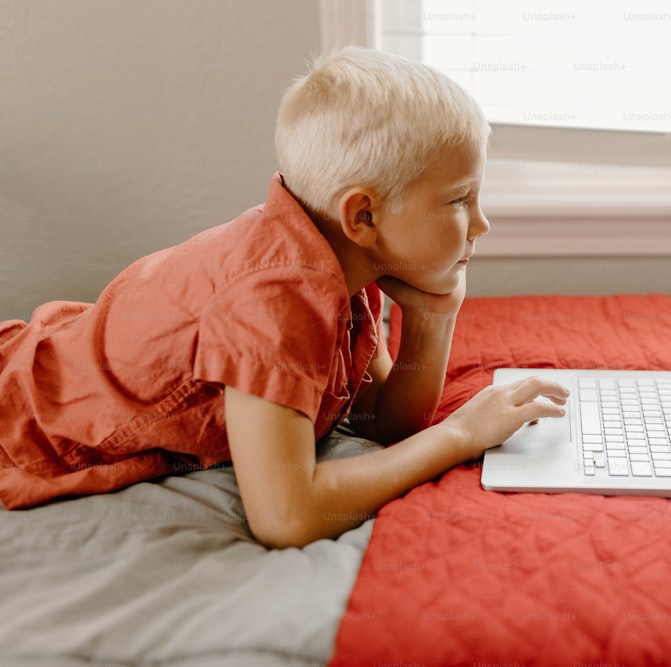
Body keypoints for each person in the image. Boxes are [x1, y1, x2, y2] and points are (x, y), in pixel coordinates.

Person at [0, 47, 569, 548]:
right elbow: (286, 517)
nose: (482, 224)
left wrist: (432, 316)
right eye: (459, 200)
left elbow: (380, 422)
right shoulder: (275, 301)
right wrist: (461, 434)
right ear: (363, 215)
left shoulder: (340, 258)